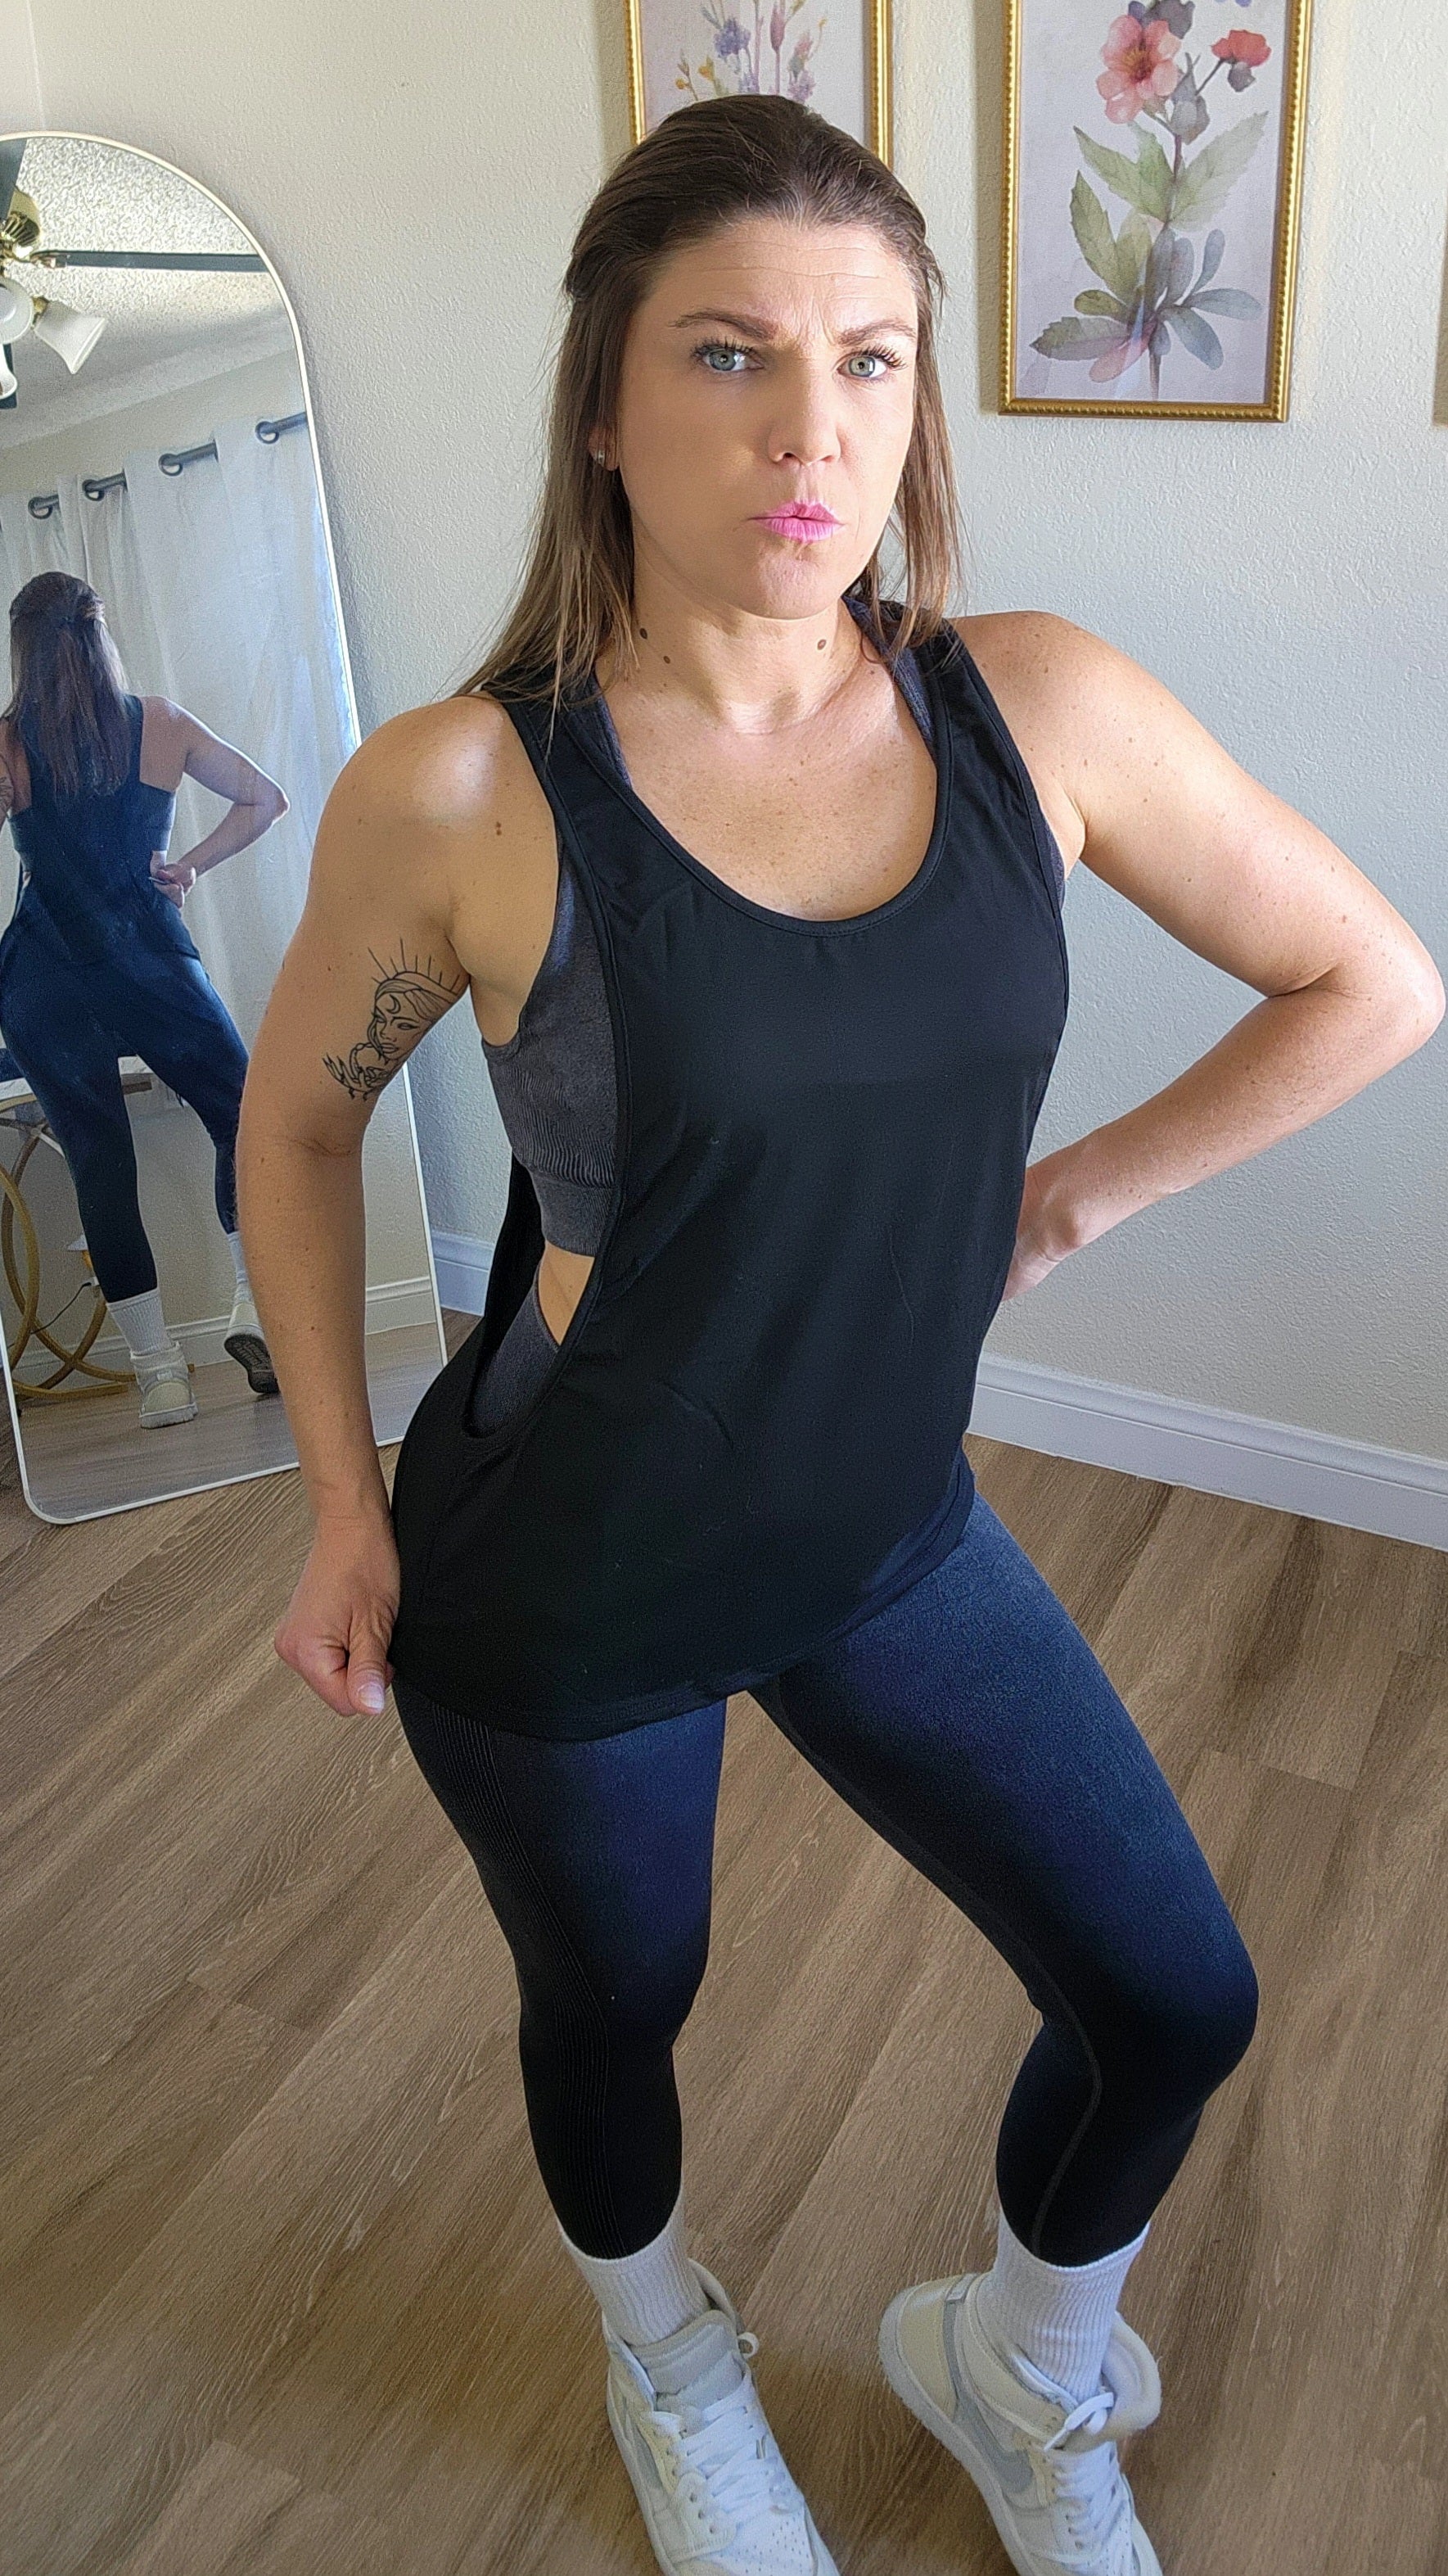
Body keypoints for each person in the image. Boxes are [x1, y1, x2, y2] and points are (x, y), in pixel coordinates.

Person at [244, 96, 1443, 2576]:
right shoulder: (468, 786)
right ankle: (668, 2352)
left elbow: (1369, 977)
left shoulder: (1032, 711)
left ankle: (1009, 2360)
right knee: (624, 2001)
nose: (814, 433)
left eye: (870, 364)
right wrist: (348, 1504)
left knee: (1173, 1994)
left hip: (887, 1531)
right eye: (730, 355)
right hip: (560, 1569)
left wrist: (1065, 1198)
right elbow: (290, 1130)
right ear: (604, 401)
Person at [0, 570, 288, 1426]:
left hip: (45, 981)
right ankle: (252, 1309)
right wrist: (190, 863)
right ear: (99, 636)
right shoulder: (157, 723)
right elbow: (265, 799)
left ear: (22, 647)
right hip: (147, 960)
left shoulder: (7, 742)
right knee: (245, 1112)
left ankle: (160, 1374)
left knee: (98, 1161)